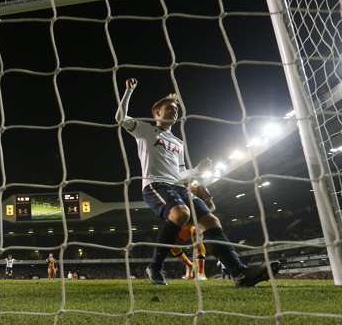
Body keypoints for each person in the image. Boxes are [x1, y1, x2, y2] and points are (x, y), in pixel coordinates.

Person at [115, 78, 279, 286]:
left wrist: (197, 172)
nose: (174, 111)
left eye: (176, 109)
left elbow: (182, 172)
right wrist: (129, 91)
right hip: (155, 185)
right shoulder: (144, 130)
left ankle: (239, 272)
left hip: (178, 186)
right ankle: (155, 266)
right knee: (181, 214)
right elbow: (120, 118)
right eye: (169, 108)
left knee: (211, 222)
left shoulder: (178, 143)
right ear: (156, 113)